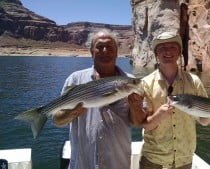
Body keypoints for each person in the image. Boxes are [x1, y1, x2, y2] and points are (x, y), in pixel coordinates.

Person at [128, 31, 210, 169]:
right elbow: (145, 125)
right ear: (156, 54)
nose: (167, 51)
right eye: (162, 48)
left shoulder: (194, 81)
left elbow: (203, 121)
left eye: (172, 47)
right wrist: (159, 115)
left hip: (184, 160)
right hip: (153, 160)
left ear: (180, 52)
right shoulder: (145, 84)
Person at [53, 29, 144, 169]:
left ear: (117, 52)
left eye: (109, 47)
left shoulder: (131, 82)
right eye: (99, 47)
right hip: (83, 162)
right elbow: (57, 120)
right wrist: (72, 112)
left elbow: (137, 123)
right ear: (91, 52)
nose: (105, 50)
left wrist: (135, 106)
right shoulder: (75, 79)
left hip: (117, 162)